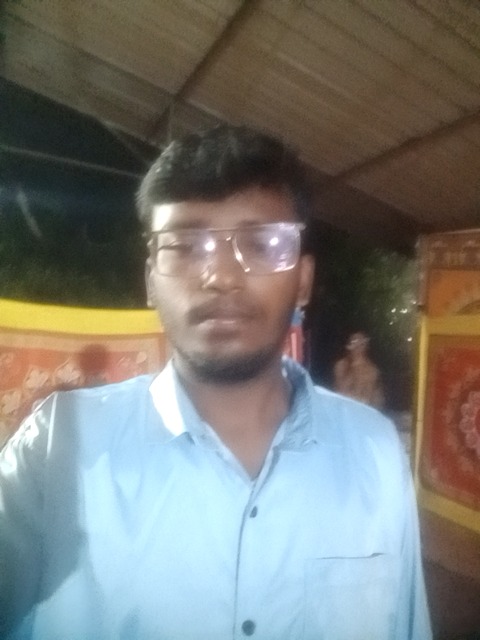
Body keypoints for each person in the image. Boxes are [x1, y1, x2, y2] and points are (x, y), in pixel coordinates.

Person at [0, 125, 431, 640]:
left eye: (262, 243)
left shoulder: (374, 450)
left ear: (304, 281)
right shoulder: (59, 448)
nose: (221, 276)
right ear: (151, 281)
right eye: (185, 246)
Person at [333, 331, 385, 410]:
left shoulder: (372, 371)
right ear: (348, 346)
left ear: (367, 346)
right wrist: (352, 368)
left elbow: (367, 399)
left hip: (362, 410)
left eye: (362, 342)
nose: (358, 345)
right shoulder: (341, 365)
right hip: (342, 407)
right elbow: (340, 392)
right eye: (354, 341)